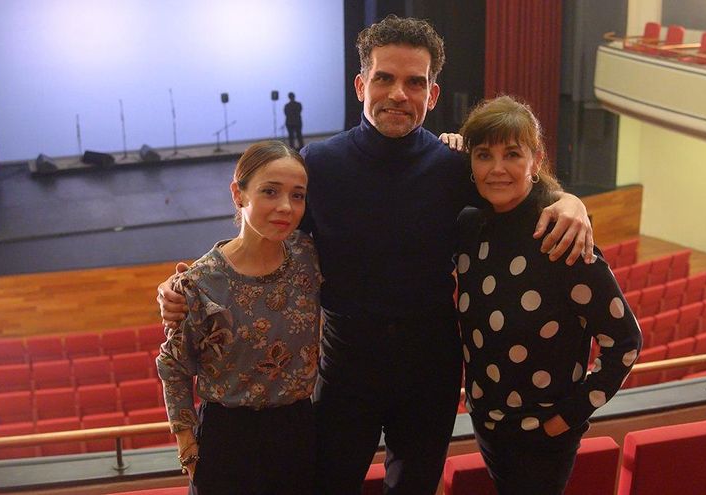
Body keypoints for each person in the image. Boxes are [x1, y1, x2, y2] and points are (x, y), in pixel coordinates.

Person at [159, 15, 595, 495]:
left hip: (431, 369)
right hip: (345, 368)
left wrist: (568, 201)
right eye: (384, 78)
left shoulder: (455, 169)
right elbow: (263, 230)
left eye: (414, 82)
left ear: (432, 94)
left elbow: (516, 188)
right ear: (361, 83)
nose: (397, 94)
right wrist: (187, 281)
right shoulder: (318, 166)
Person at [455, 95, 642, 494]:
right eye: (484, 155)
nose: (498, 168)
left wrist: (566, 418)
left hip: (543, 435)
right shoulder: (470, 228)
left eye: (512, 154)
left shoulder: (562, 238)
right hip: (487, 423)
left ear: (536, 161)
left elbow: (625, 342)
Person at [156, 140, 322, 495]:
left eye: (297, 195)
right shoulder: (199, 282)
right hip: (228, 440)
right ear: (238, 194)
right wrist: (187, 448)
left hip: (299, 431)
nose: (285, 207)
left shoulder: (310, 256)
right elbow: (174, 366)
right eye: (270, 191)